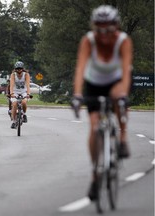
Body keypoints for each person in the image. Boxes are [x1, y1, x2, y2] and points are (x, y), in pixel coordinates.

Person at [71, 5, 133, 201]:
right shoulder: (89, 41)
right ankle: (95, 175)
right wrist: (77, 94)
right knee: (95, 125)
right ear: (94, 27)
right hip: (94, 83)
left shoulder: (123, 41)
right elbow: (80, 68)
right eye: (100, 28)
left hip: (116, 81)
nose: (104, 33)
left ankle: (122, 138)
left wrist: (123, 93)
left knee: (119, 98)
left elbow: (125, 71)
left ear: (116, 26)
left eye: (109, 28)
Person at [9, 61, 31, 129]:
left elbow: (27, 85)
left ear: (22, 69)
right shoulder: (13, 75)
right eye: (17, 69)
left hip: (24, 91)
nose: (19, 70)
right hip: (15, 92)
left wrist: (28, 94)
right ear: (15, 69)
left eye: (20, 69)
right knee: (15, 104)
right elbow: (11, 85)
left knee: (24, 102)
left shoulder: (26, 74)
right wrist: (11, 93)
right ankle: (14, 121)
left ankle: (24, 114)